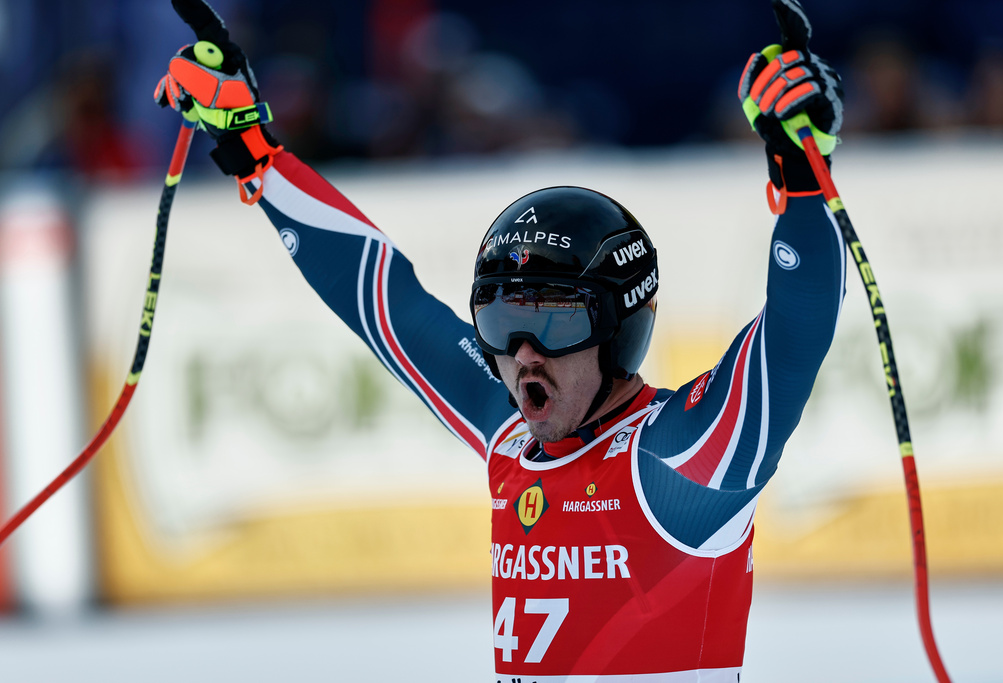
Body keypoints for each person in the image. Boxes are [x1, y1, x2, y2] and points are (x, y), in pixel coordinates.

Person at [156, 0, 845, 679]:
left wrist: (802, 177)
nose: (521, 356)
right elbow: (384, 302)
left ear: (621, 325)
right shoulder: (509, 436)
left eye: (553, 320)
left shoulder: (683, 458)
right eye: (498, 321)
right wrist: (253, 151)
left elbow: (798, 326)